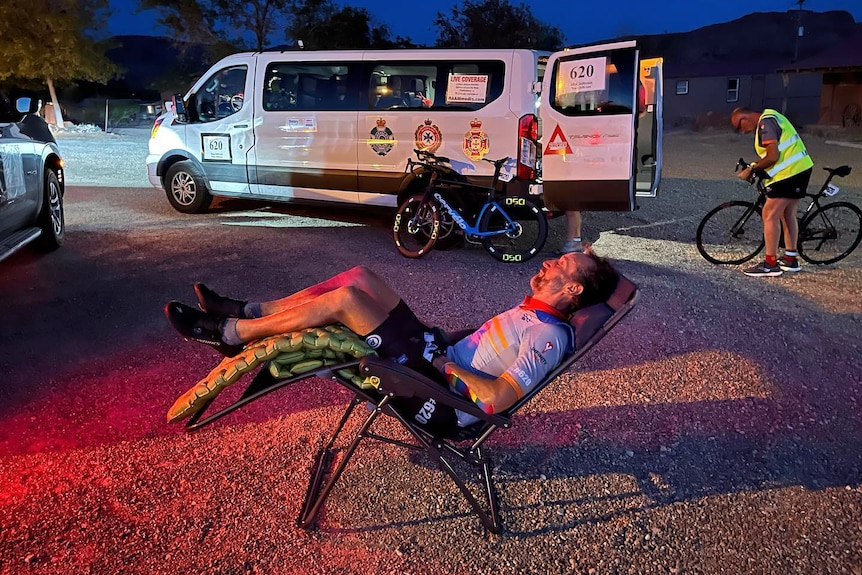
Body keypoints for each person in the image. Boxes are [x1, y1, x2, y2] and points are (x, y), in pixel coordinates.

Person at [165, 252, 620, 431]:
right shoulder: (533, 312)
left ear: (573, 290)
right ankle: (245, 311)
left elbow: (498, 398)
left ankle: (227, 334)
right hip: (430, 356)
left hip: (437, 395)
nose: (546, 263)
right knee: (360, 276)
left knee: (346, 301)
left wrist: (447, 366)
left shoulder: (547, 336)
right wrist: (446, 344)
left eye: (560, 264)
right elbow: (487, 344)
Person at [730, 107, 814, 277]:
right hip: (800, 169)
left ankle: (770, 264)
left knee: (769, 214)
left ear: (745, 117)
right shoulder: (774, 116)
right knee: (787, 214)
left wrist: (753, 169)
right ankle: (790, 259)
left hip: (789, 173)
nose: (741, 131)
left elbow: (773, 156)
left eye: (739, 126)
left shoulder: (765, 123)